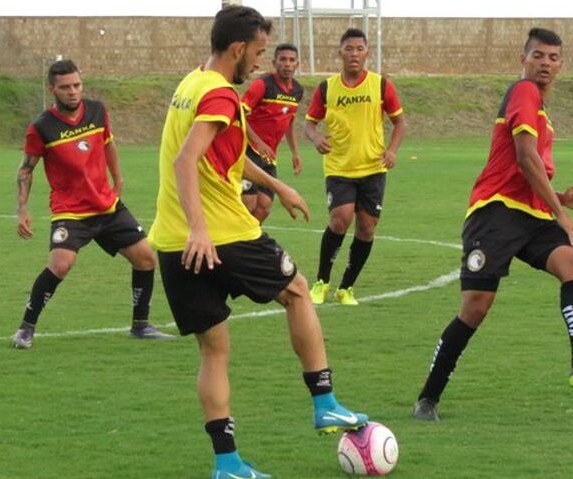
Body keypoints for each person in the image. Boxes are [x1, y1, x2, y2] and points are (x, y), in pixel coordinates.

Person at [148, 6, 367, 479]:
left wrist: (280, 187)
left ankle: (227, 464)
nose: (261, 62)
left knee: (213, 349)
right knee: (297, 290)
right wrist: (202, 228)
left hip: (171, 242)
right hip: (222, 236)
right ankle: (324, 402)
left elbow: (219, 155)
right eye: (259, 52)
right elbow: (187, 162)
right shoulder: (222, 95)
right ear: (237, 49)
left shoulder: (191, 84)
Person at [412, 28, 573, 422]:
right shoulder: (524, 92)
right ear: (523, 58)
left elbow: (530, 171)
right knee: (475, 308)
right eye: (539, 55)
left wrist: (559, 199)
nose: (545, 63)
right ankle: (428, 398)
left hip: (531, 214)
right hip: (495, 214)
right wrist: (561, 213)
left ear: (561, 64)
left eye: (553, 57)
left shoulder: (542, 112)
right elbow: (525, 158)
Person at [11, 59, 173, 349]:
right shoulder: (41, 127)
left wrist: (118, 178)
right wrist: (22, 209)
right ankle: (26, 328)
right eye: (65, 87)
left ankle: (141, 325)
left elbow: (108, 143)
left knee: (146, 258)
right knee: (60, 265)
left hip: (107, 206)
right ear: (52, 89)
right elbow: (26, 169)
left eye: (76, 85)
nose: (72, 91)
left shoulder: (97, 111)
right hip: (71, 210)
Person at [304, 28, 406, 306]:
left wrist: (392, 150)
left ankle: (346, 288)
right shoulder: (327, 87)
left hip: (373, 168)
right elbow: (309, 123)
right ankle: (322, 282)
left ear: (367, 53)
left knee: (366, 229)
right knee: (340, 219)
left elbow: (400, 122)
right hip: (339, 168)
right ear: (340, 52)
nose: (354, 54)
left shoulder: (380, 84)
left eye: (360, 49)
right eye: (349, 48)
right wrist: (315, 138)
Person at [240, 43, 304, 223]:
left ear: (297, 64)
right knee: (249, 205)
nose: (287, 64)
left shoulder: (297, 91)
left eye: (291, 60)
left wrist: (295, 153)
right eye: (283, 59)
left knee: (264, 209)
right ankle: (234, 245)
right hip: (249, 151)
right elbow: (239, 115)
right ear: (274, 62)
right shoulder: (262, 85)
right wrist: (258, 142)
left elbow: (289, 122)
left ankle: (248, 244)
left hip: (269, 157)